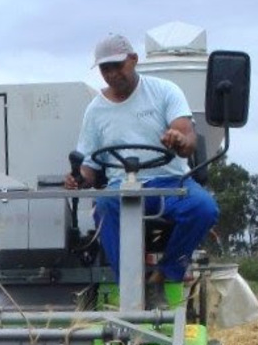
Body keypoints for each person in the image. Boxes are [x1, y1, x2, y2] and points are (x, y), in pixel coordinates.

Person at [63, 33, 219, 305]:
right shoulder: (95, 111)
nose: (111, 74)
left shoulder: (164, 91)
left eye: (117, 66)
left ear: (133, 60)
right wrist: (78, 178)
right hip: (120, 188)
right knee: (104, 207)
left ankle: (162, 276)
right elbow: (89, 165)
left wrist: (180, 140)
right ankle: (133, 290)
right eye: (105, 68)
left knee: (204, 207)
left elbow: (188, 138)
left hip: (169, 183)